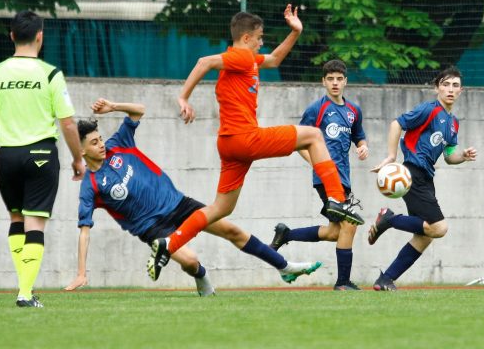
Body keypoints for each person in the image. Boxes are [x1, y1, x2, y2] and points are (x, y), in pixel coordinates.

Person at [147, 4, 364, 281]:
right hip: (245, 138)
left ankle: (170, 244)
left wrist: (295, 32)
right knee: (313, 135)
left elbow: (273, 59)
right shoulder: (238, 56)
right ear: (247, 38)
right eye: (260, 37)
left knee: (221, 208)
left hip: (229, 144)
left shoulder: (249, 61)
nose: (262, 43)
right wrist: (183, 97)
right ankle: (337, 199)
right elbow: (204, 62)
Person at [65, 98, 322, 291]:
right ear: (81, 149)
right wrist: (81, 272)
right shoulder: (91, 185)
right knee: (190, 261)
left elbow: (139, 110)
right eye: (94, 142)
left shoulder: (119, 144)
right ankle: (202, 277)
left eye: (100, 139)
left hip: (178, 204)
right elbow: (84, 231)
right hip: (153, 228)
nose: (101, 144)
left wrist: (113, 106)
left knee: (232, 231)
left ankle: (284, 267)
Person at [0, 11, 86, 308]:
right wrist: (78, 158)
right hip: (40, 154)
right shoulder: (50, 74)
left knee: (16, 218)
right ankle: (25, 292)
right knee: (35, 223)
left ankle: (25, 287)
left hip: (7, 155)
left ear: (11, 36)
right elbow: (68, 124)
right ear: (40, 36)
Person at [368, 66, 477, 291]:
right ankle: (389, 219)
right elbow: (397, 123)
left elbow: (449, 156)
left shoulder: (453, 123)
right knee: (439, 228)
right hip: (412, 172)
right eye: (445, 84)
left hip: (426, 177)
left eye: (455, 85)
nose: (450, 89)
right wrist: (391, 156)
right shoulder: (430, 110)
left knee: (425, 235)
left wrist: (463, 157)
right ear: (437, 88)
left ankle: (385, 279)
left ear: (461, 91)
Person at [268, 59, 368, 291]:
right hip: (326, 179)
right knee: (350, 225)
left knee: (336, 232)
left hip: (344, 179)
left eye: (339, 79)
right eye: (330, 79)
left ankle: (286, 234)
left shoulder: (354, 111)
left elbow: (359, 136)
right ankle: (343, 283)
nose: (335, 83)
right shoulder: (316, 109)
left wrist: (363, 146)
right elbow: (299, 143)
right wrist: (319, 165)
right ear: (323, 82)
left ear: (345, 81)